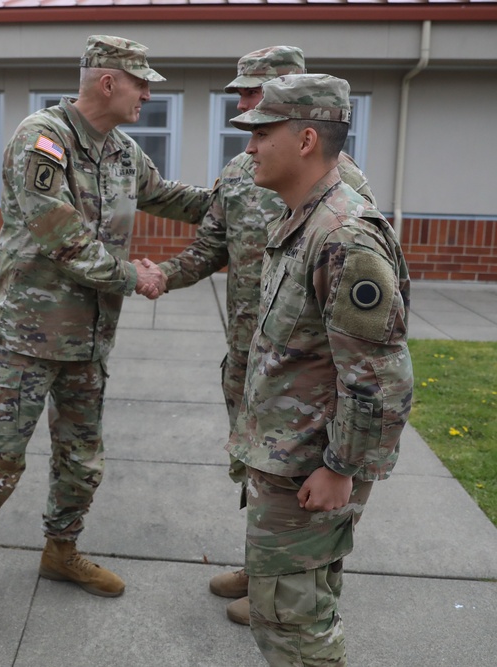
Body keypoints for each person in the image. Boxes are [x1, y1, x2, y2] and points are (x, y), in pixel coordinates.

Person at [0, 35, 211, 636]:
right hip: (29, 337)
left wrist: (244, 194)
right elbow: (59, 234)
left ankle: (61, 551)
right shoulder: (42, 138)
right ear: (108, 82)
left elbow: (167, 197)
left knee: (82, 460)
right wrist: (133, 276)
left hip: (89, 340)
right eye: (141, 83)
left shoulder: (123, 151)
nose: (147, 94)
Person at [154, 46, 378, 626]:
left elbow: (370, 339)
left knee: (309, 490)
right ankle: (262, 566)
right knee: (259, 469)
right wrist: (160, 278)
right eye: (240, 94)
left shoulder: (342, 190)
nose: (243, 107)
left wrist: (349, 457)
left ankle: (295, 590)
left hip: (309, 377)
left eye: (253, 94)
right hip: (252, 361)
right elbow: (209, 249)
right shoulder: (240, 171)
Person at [226, 74, 412, 665]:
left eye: (262, 133)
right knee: (294, 609)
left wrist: (342, 469)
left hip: (311, 470)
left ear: (305, 140)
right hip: (290, 461)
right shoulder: (305, 220)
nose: (250, 146)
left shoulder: (343, 236)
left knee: (294, 628)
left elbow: (381, 378)